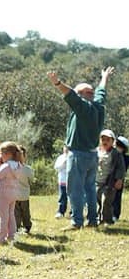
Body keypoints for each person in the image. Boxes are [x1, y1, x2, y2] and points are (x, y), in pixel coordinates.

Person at [47, 67, 114, 230]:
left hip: (78, 155)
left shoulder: (84, 107)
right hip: (92, 155)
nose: (76, 97)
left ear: (83, 95)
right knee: (90, 189)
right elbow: (101, 91)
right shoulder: (98, 105)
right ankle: (92, 220)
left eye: (79, 93)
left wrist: (57, 83)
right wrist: (104, 77)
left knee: (75, 190)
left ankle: (77, 221)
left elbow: (70, 94)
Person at [0, 141, 22, 245]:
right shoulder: (18, 165)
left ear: (8, 154)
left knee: (3, 217)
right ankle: (12, 236)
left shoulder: (6, 166)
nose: (0, 156)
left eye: (1, 153)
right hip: (13, 193)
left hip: (3, 194)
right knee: (11, 215)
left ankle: (0, 238)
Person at [96, 129, 125, 226]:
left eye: (108, 140)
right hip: (97, 181)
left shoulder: (116, 153)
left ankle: (107, 220)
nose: (105, 142)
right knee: (97, 201)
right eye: (103, 139)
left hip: (110, 182)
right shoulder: (97, 151)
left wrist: (119, 179)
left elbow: (121, 168)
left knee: (106, 201)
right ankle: (98, 218)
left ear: (113, 142)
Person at [15, 146, 34, 234]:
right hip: (24, 195)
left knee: (16, 213)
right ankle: (27, 226)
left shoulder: (12, 168)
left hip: (15, 195)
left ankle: (17, 227)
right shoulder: (28, 169)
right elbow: (31, 179)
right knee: (25, 212)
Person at [113, 136, 129, 222]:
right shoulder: (113, 155)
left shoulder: (125, 158)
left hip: (119, 180)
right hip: (111, 179)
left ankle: (115, 215)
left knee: (117, 198)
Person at [54, 146, 69, 219]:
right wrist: (63, 163)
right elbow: (56, 168)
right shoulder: (60, 158)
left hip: (72, 181)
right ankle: (61, 212)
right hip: (63, 181)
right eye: (65, 148)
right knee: (62, 197)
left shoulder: (73, 156)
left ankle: (72, 212)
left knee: (72, 198)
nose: (66, 149)